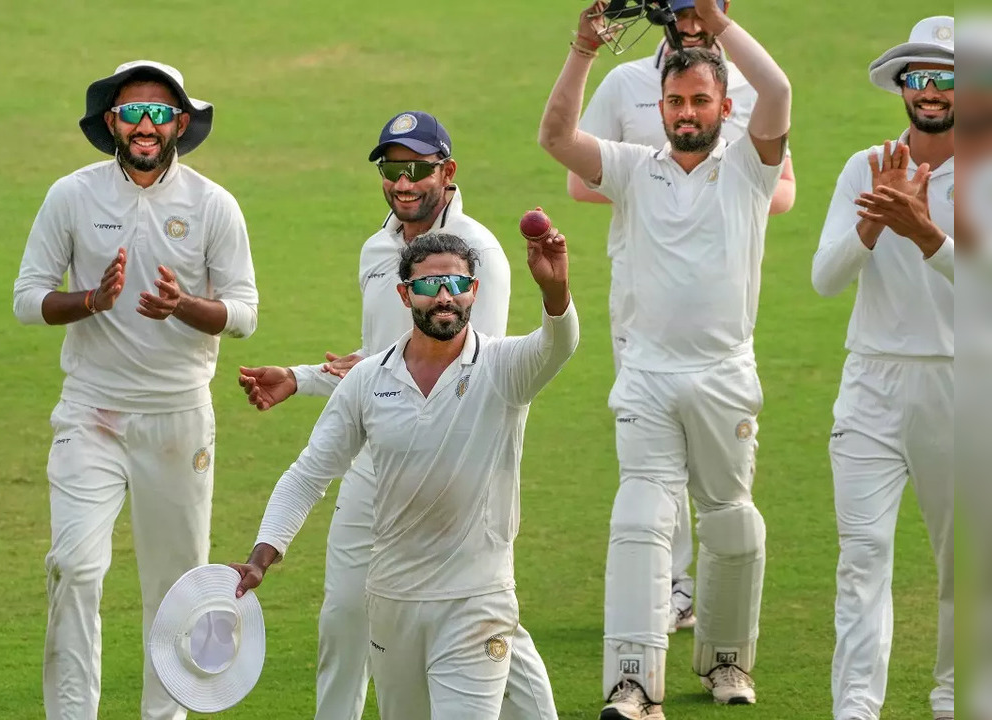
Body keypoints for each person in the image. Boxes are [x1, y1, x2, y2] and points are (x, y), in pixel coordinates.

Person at [237, 111, 558, 720]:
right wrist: (302, 380)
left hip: (459, 474)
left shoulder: (480, 253)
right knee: (343, 618)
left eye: (417, 169)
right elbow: (379, 367)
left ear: (448, 172)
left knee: (485, 618)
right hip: (374, 463)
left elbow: (469, 370)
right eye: (391, 168)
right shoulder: (375, 250)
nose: (403, 182)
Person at [538, 0, 791, 715]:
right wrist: (582, 49)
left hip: (721, 376)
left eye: (699, 100)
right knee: (639, 520)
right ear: (661, 105)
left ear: (721, 105)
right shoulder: (629, 168)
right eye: (675, 101)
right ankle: (632, 683)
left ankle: (726, 665)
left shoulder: (749, 168)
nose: (686, 112)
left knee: (729, 522)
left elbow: (777, 93)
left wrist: (717, 23)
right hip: (646, 376)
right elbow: (554, 135)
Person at [12, 60, 259, 720]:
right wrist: (92, 299)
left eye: (159, 113)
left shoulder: (212, 204)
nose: (145, 125)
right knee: (74, 567)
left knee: (176, 587)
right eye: (131, 112)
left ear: (180, 122)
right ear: (110, 122)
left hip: (177, 417)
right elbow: (26, 298)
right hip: (90, 411)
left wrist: (184, 306)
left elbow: (243, 313)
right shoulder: (71, 195)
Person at [811, 16, 955, 720]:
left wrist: (924, 231)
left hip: (961, 386)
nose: (929, 92)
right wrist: (873, 220)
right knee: (861, 556)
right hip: (870, 382)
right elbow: (824, 280)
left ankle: (953, 700)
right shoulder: (863, 167)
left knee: (964, 569)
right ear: (901, 86)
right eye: (918, 78)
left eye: (945, 79)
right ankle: (854, 710)